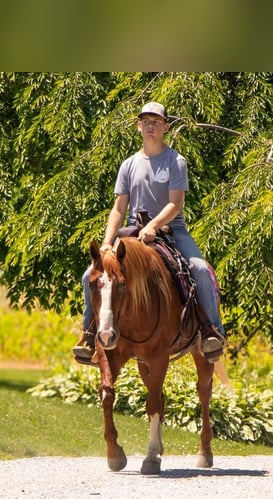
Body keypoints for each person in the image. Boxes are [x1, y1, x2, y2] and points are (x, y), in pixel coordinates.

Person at [73, 101, 225, 365]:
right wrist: (108, 243)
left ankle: (211, 331)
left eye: (156, 122)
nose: (150, 126)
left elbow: (175, 203)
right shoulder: (128, 164)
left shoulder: (176, 161)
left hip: (171, 229)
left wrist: (153, 226)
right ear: (138, 126)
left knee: (199, 268)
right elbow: (119, 207)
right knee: (91, 274)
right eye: (146, 121)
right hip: (133, 230)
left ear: (166, 127)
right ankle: (89, 335)